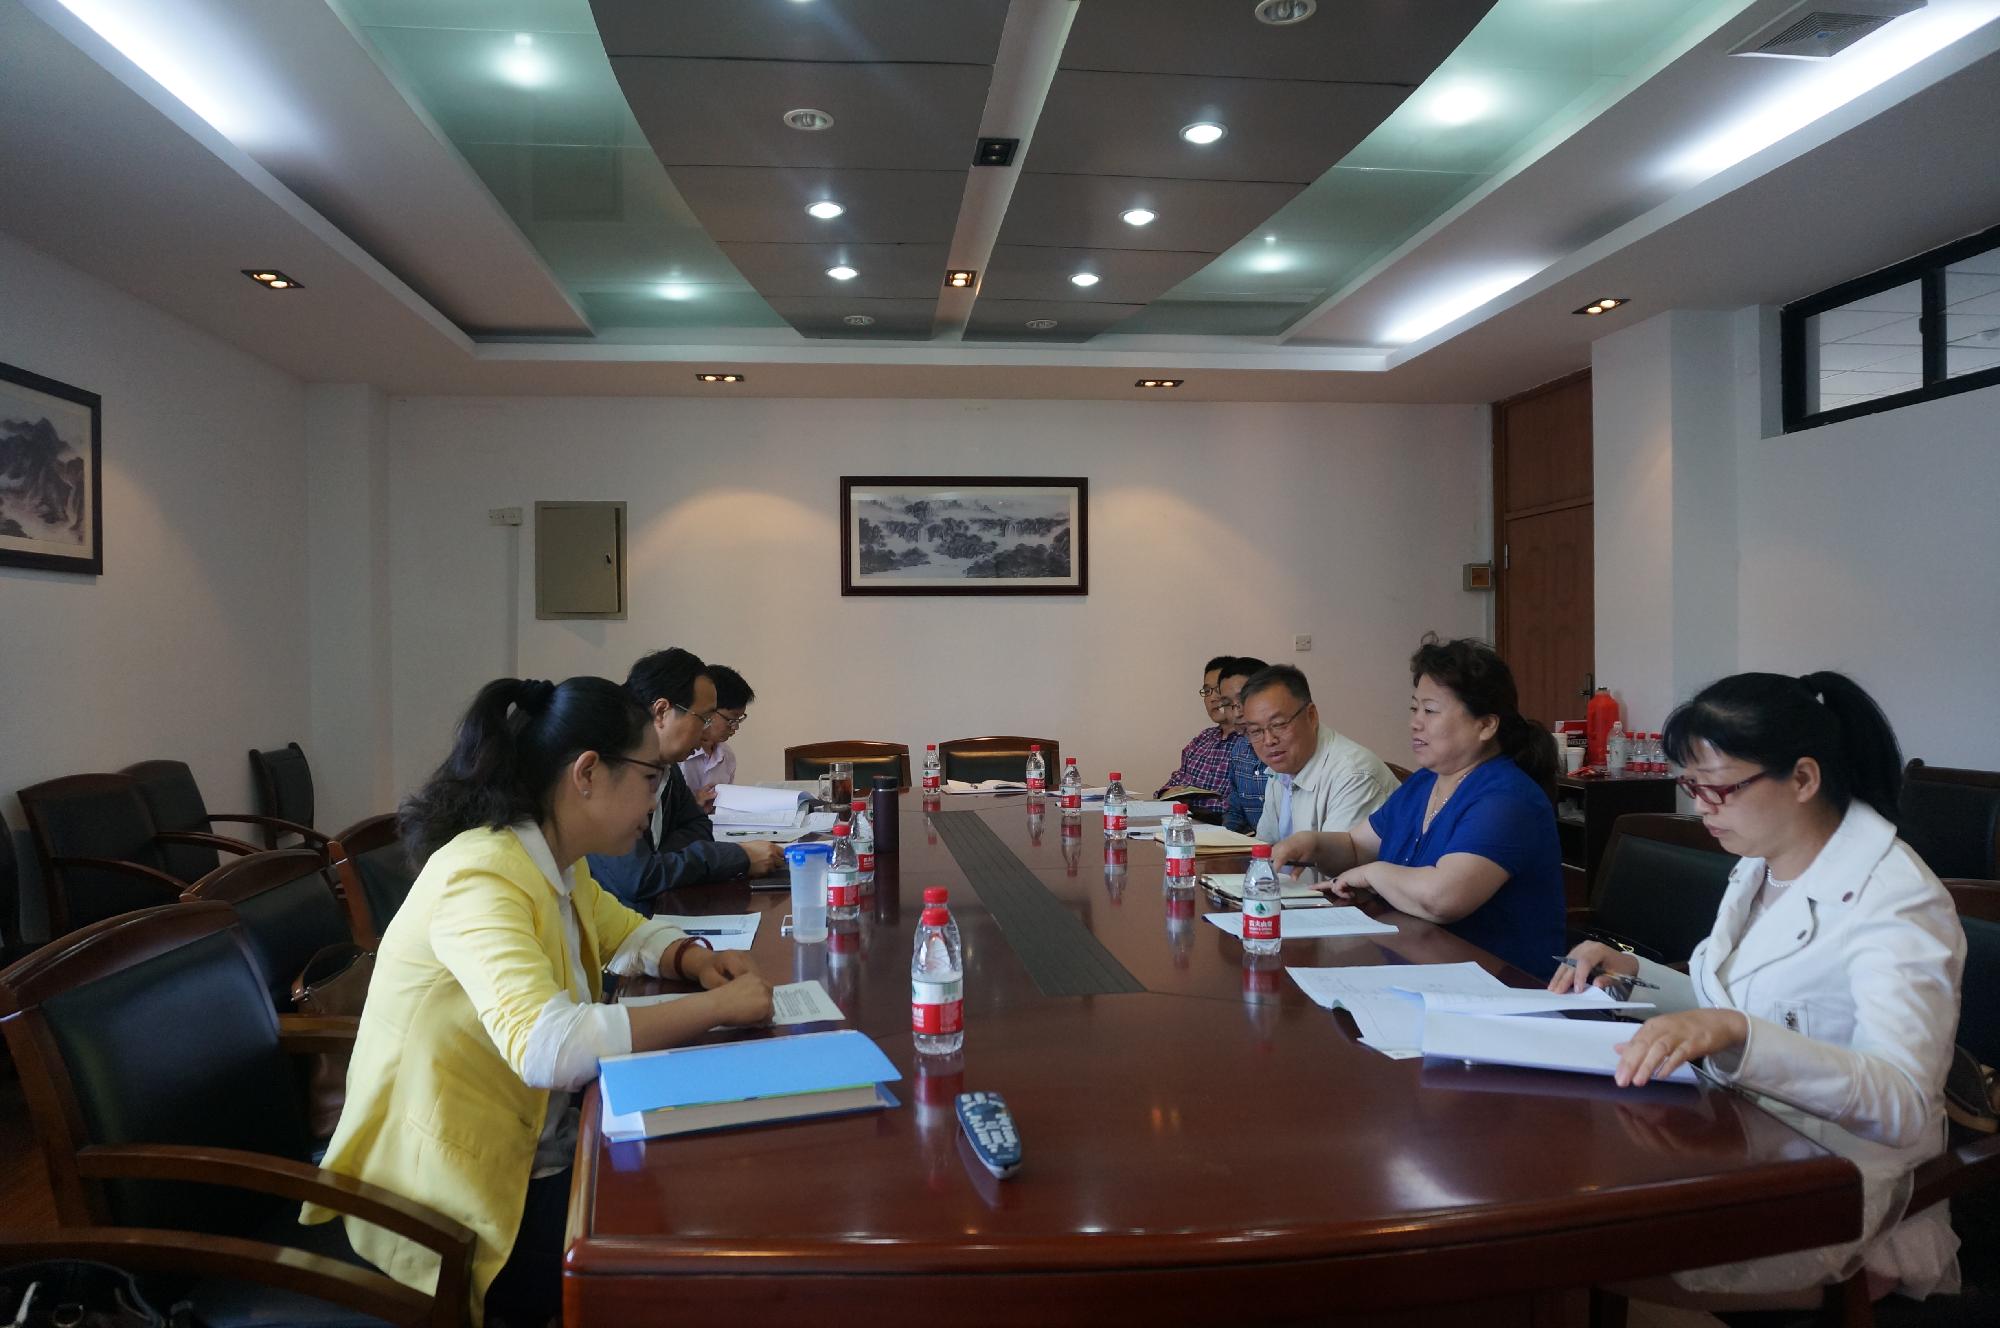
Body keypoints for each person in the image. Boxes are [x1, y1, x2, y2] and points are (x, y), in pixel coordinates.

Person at [303, 676, 774, 1326]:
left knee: (701, 1188)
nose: (657, 796)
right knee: (684, 1247)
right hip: (448, 1201)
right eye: (650, 777)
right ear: (588, 773)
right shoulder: (481, 875)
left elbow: (621, 929)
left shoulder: (553, 860)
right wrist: (716, 1009)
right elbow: (547, 1047)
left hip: (532, 1148)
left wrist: (691, 958)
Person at [1552, 671, 1965, 1309]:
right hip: (1739, 1139)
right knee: (1567, 1209)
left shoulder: (1897, 901)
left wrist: (1739, 1035)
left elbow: (1903, 1100)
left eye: (1718, 788)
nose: (1700, 808)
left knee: (1571, 1257)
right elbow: (1737, 1005)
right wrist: (1631, 971)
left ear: (1802, 779)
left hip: (1839, 1184)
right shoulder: (1762, 864)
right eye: (1691, 786)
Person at [1271, 636, 1562, 977]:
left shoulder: (1507, 799)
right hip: (1420, 965)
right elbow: (1356, 847)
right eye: (1414, 709)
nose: (1415, 722)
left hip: (1499, 983)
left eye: (1430, 710)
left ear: (1485, 725)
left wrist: (1373, 874)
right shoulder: (1426, 782)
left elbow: (1443, 898)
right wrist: (1311, 843)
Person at [588, 648, 783, 909]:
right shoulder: (609, 771)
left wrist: (660, 858)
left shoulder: (668, 767)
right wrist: (737, 856)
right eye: (704, 719)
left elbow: (699, 826)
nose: (705, 732)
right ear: (661, 712)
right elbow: (638, 877)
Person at [1239, 664, 1397, 843]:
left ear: (1311, 716)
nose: (1269, 740)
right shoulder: (1282, 765)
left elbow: (1338, 858)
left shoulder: (1354, 776)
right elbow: (1265, 846)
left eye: (1279, 724)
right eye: (1255, 731)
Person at [1155, 655, 1239, 816]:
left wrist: (1187, 804)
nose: (1212, 698)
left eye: (1218, 690)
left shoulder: (1252, 743)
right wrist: (1166, 793)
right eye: (1207, 691)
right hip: (1183, 823)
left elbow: (1235, 808)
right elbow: (1172, 786)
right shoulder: (1203, 739)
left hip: (1220, 827)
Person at [679, 663, 751, 816]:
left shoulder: (727, 756)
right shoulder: (678, 755)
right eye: (731, 720)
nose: (736, 727)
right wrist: (693, 805)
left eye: (739, 719)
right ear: (708, 710)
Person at [1219, 656, 1268, 833]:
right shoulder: (1239, 750)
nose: (1236, 713)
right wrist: (1223, 839)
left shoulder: (1285, 752)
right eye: (1227, 704)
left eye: (1243, 700)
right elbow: (1235, 812)